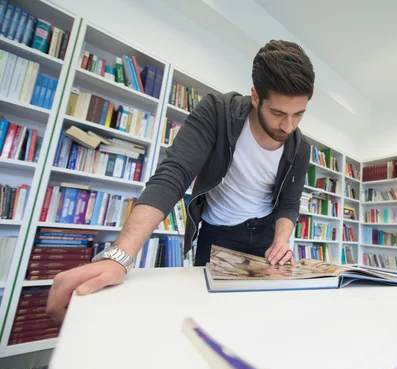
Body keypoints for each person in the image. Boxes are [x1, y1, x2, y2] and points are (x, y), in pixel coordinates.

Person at [47, 40, 314, 323]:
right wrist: (119, 256)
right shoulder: (217, 112)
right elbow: (174, 173)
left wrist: (281, 240)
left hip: (265, 237)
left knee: (261, 319)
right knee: (212, 319)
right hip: (218, 236)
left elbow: (289, 204)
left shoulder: (300, 147)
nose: (288, 126)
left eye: (298, 114)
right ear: (256, 97)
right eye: (278, 113)